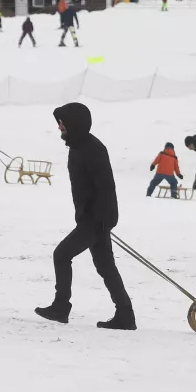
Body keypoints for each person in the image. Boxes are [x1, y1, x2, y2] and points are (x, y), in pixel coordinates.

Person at [35, 102, 136, 330]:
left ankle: (61, 307)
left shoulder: (92, 149)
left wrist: (103, 220)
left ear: (74, 123)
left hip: (96, 219)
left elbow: (106, 187)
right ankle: (125, 315)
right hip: (92, 218)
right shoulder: (79, 147)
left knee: (61, 255)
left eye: (62, 122)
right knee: (105, 265)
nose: (59, 126)